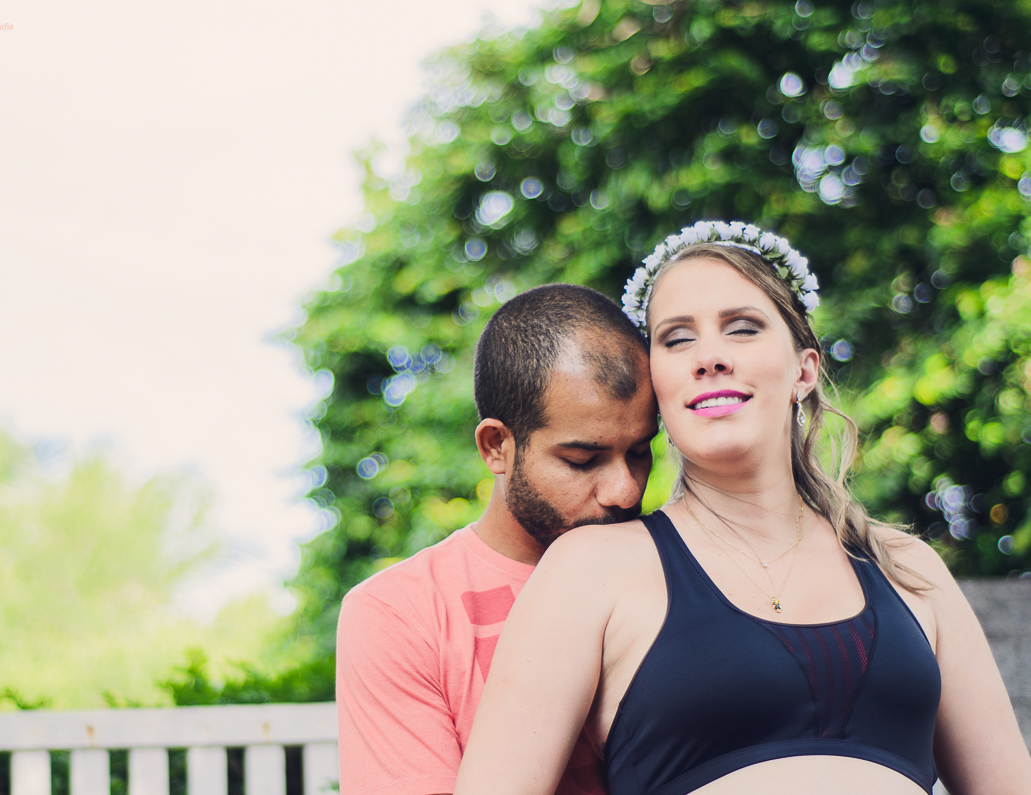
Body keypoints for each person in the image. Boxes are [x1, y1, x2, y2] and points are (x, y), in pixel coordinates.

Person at [455, 221, 1031, 795]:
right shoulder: (590, 569)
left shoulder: (907, 567)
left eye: (742, 328)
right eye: (677, 339)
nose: (709, 357)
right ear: (656, 383)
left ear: (804, 369)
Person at [335, 283, 659, 795]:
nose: (625, 491)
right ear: (496, 446)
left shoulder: (678, 565)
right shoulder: (400, 612)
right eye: (582, 460)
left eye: (640, 452)